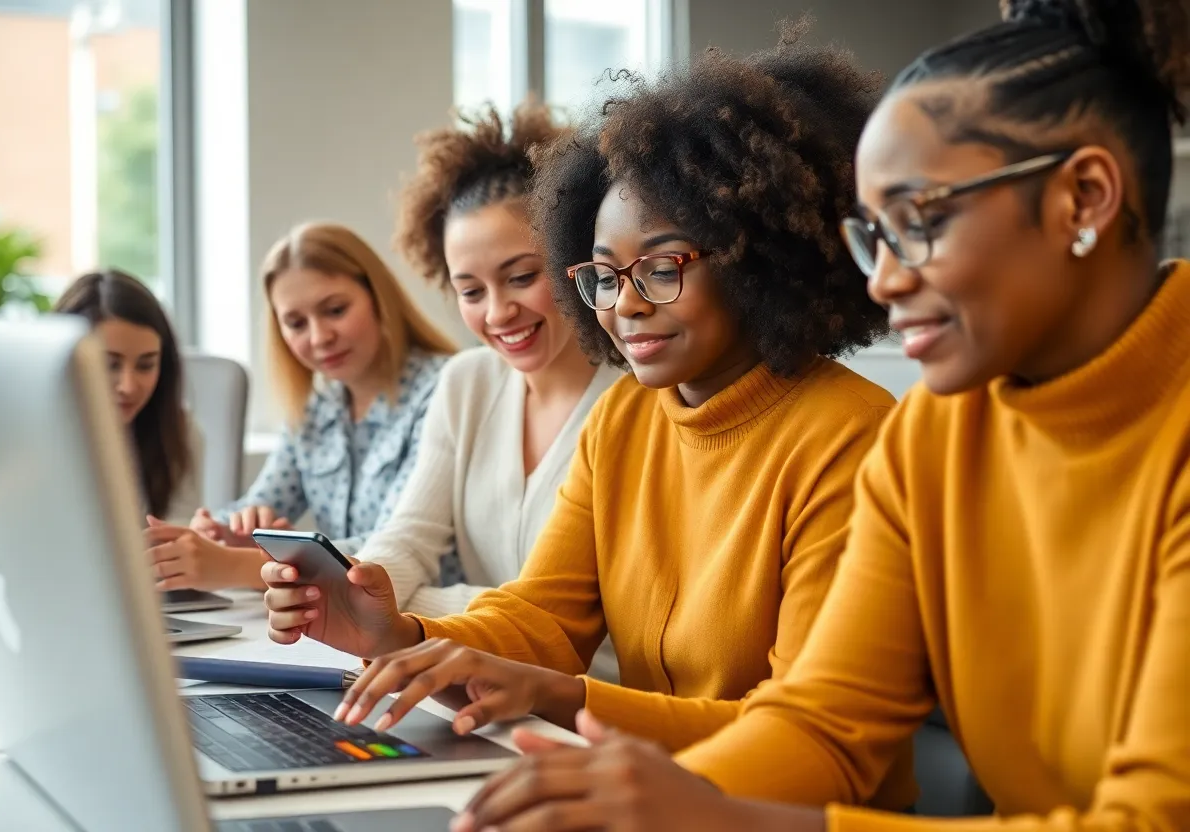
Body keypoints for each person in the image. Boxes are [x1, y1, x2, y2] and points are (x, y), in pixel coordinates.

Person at [449, 2, 1190, 830]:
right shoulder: (935, 436)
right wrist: (650, 804)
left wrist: (718, 815)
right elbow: (825, 722)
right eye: (875, 235)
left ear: (1084, 198)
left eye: (921, 223)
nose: (883, 280)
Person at [261, 27, 913, 807]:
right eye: (603, 276)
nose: (625, 305)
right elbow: (545, 615)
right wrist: (398, 636)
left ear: (758, 259)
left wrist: (560, 697)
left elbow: (802, 738)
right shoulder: (629, 420)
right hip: (646, 799)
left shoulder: (853, 437)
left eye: (662, 268)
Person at [342, 101, 622, 677]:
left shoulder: (637, 401)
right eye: (471, 291)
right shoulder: (466, 383)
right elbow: (409, 538)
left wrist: (410, 612)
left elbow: (576, 628)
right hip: (477, 683)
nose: (498, 312)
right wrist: (360, 593)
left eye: (522, 277)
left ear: (577, 258)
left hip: (593, 703)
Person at [145, 222, 456, 592]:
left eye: (336, 310)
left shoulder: (446, 389)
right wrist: (221, 532)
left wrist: (239, 564)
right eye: (295, 323)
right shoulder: (315, 408)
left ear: (378, 297)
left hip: (437, 624)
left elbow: (394, 548)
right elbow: (259, 504)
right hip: (351, 625)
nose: (320, 337)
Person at [53, 269, 203, 525]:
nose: (128, 386)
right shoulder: (31, 435)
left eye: (146, 365)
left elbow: (177, 531)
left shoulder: (178, 431)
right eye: (110, 365)